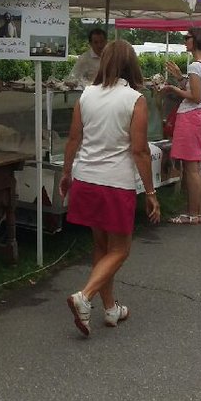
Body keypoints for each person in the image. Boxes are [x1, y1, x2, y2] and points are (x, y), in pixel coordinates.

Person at [62, 39, 160, 336]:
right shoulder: (134, 98)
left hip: (86, 178)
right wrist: (151, 193)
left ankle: (110, 309)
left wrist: (66, 173)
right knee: (120, 249)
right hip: (114, 182)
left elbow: (73, 139)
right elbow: (140, 150)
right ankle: (85, 296)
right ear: (132, 65)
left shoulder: (86, 94)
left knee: (102, 246)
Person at [161, 26, 201, 225]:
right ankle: (197, 213)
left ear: (196, 40)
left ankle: (192, 213)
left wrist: (172, 88)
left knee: (191, 169)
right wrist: (179, 78)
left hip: (190, 117)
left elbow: (194, 96)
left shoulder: (195, 66)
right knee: (196, 169)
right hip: (199, 116)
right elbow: (196, 91)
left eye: (187, 37)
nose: (185, 41)